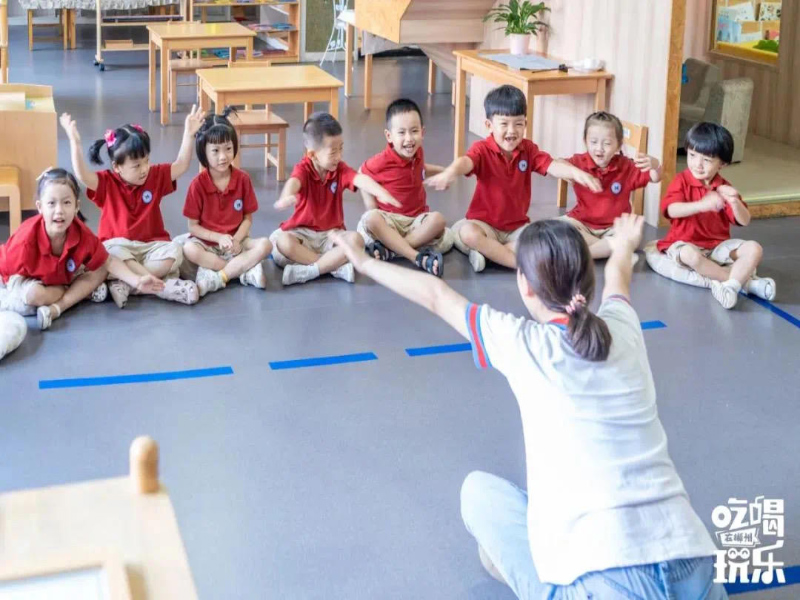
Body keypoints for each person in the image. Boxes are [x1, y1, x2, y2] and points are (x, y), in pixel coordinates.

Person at [330, 214, 727, 600]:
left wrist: (364, 262)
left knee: (479, 496)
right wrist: (622, 246)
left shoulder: (524, 343)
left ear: (525, 284)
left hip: (605, 581)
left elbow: (436, 296)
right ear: (587, 280)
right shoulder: (623, 328)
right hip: (695, 564)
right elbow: (618, 280)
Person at [425, 84, 602, 272]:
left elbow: (552, 165)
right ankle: (518, 264)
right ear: (489, 125)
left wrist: (576, 173)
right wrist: (450, 172)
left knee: (541, 239)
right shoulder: (482, 149)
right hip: (484, 225)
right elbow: (465, 162)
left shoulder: (528, 149)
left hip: (517, 228)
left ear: (525, 124)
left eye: (518, 124)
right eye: (504, 124)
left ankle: (489, 254)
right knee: (468, 233)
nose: (511, 131)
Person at [59, 107, 205, 308]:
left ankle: (128, 283)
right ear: (117, 167)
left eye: (147, 161)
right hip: (119, 248)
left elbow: (181, 165)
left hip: (151, 247)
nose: (144, 169)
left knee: (175, 251)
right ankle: (158, 287)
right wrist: (75, 142)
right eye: (136, 165)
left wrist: (188, 135)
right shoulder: (106, 182)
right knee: (108, 253)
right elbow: (82, 175)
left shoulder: (155, 176)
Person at [0, 169, 164, 330]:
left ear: (76, 206)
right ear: (40, 207)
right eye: (51, 203)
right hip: (29, 277)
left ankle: (59, 306)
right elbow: (6, 272)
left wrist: (137, 281)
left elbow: (108, 261)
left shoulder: (80, 232)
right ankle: (75, 292)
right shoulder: (24, 241)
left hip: (60, 278)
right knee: (34, 296)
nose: (59, 211)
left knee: (101, 268)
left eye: (66, 203)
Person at [271, 112, 401, 286]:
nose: (339, 156)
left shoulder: (339, 169)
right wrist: (286, 196)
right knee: (283, 242)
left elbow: (359, 179)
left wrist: (381, 192)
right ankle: (331, 267)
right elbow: (294, 182)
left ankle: (310, 270)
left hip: (331, 235)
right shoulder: (303, 168)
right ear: (312, 155)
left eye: (341, 148)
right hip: (303, 233)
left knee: (357, 240)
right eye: (333, 152)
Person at [654, 122, 775, 309]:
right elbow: (671, 210)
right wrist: (701, 205)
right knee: (690, 256)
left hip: (717, 247)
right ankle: (745, 284)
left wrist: (734, 201)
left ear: (722, 164)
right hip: (684, 243)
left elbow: (745, 220)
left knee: (754, 248)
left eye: (707, 160)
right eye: (692, 155)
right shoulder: (681, 180)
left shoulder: (724, 187)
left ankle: (731, 288)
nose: (697, 164)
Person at [178, 108, 272, 297]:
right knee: (189, 249)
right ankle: (242, 272)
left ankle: (219, 276)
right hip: (208, 244)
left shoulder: (243, 179)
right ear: (203, 152)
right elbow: (193, 227)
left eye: (228, 148)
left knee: (266, 244)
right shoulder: (197, 185)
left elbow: (247, 218)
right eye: (215, 151)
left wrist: (236, 240)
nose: (223, 156)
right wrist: (218, 238)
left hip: (237, 242)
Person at [356, 98, 453, 277]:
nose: (409, 139)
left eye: (414, 131)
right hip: (390, 220)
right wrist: (371, 206)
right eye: (401, 132)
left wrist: (444, 172)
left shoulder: (418, 153)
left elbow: (421, 169)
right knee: (371, 219)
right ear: (389, 136)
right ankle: (414, 255)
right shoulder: (382, 160)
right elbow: (361, 174)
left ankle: (392, 250)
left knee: (438, 220)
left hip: (416, 221)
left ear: (422, 132)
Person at [560, 111, 661, 260]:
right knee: (557, 229)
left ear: (618, 145)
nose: (599, 148)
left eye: (607, 143)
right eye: (593, 142)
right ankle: (607, 248)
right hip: (582, 223)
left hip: (615, 227)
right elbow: (557, 164)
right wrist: (574, 172)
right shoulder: (579, 162)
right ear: (585, 141)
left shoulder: (626, 166)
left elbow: (655, 177)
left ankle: (585, 253)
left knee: (633, 235)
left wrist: (656, 165)